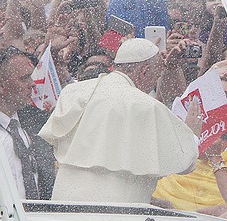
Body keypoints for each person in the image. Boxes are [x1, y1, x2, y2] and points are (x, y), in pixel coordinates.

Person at [39, 38, 199, 203]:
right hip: (116, 218)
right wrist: (192, 134)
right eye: (156, 75)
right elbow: (185, 161)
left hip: (65, 211)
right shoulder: (147, 107)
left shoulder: (74, 92)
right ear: (144, 71)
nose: (154, 84)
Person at [0, 47, 56, 200]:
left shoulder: (38, 123)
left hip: (36, 220)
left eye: (31, 77)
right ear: (2, 86)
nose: (32, 84)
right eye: (24, 78)